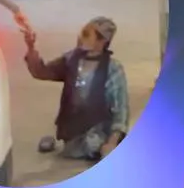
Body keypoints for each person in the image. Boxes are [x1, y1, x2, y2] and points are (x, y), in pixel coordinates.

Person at [23, 16, 130, 162]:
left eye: (86, 34)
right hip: (73, 136)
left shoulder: (113, 70)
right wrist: (31, 47)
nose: (80, 38)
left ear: (102, 41)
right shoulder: (71, 60)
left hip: (99, 132)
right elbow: (41, 72)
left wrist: (111, 143)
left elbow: (121, 111)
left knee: (96, 146)